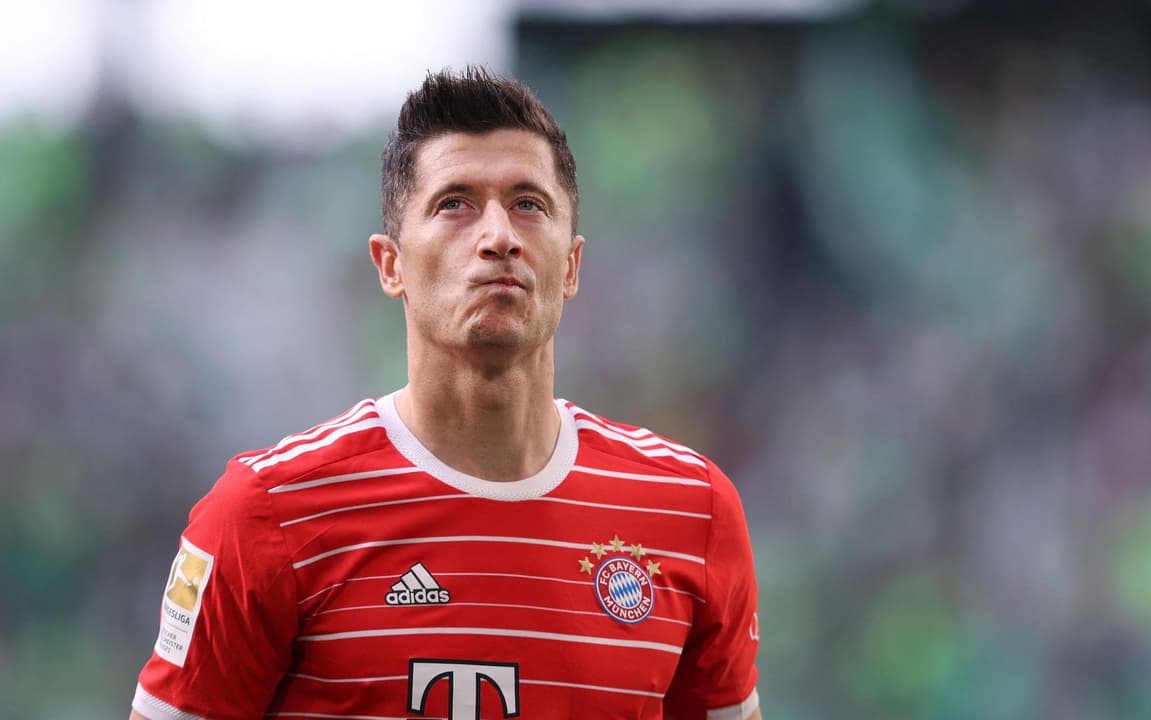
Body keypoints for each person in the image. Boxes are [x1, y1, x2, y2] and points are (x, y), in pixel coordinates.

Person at [128, 67, 761, 720]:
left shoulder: (692, 512)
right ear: (390, 264)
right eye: (455, 203)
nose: (499, 237)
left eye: (528, 204)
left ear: (571, 266)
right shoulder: (267, 515)